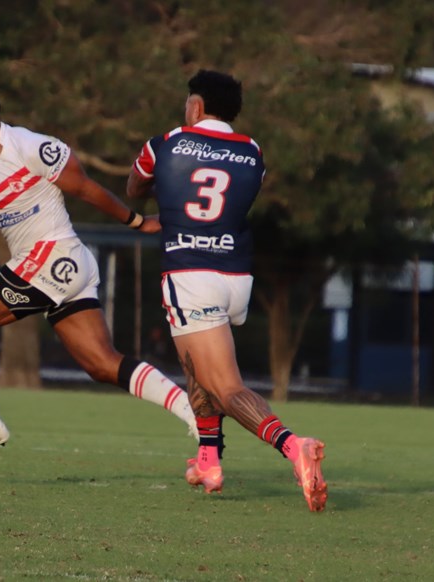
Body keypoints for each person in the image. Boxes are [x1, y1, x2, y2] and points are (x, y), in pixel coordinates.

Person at [0, 84, 195, 456]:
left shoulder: (31, 147)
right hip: (52, 266)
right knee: (102, 364)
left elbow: (87, 189)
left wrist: (139, 222)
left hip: (53, 255)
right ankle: (192, 410)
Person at [126, 70, 328, 512]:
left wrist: (153, 211)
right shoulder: (252, 152)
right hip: (235, 276)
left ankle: (295, 447)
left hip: (190, 272)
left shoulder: (165, 142)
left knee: (224, 386)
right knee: (196, 369)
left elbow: (135, 186)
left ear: (195, 107)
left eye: (187, 103)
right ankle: (208, 461)